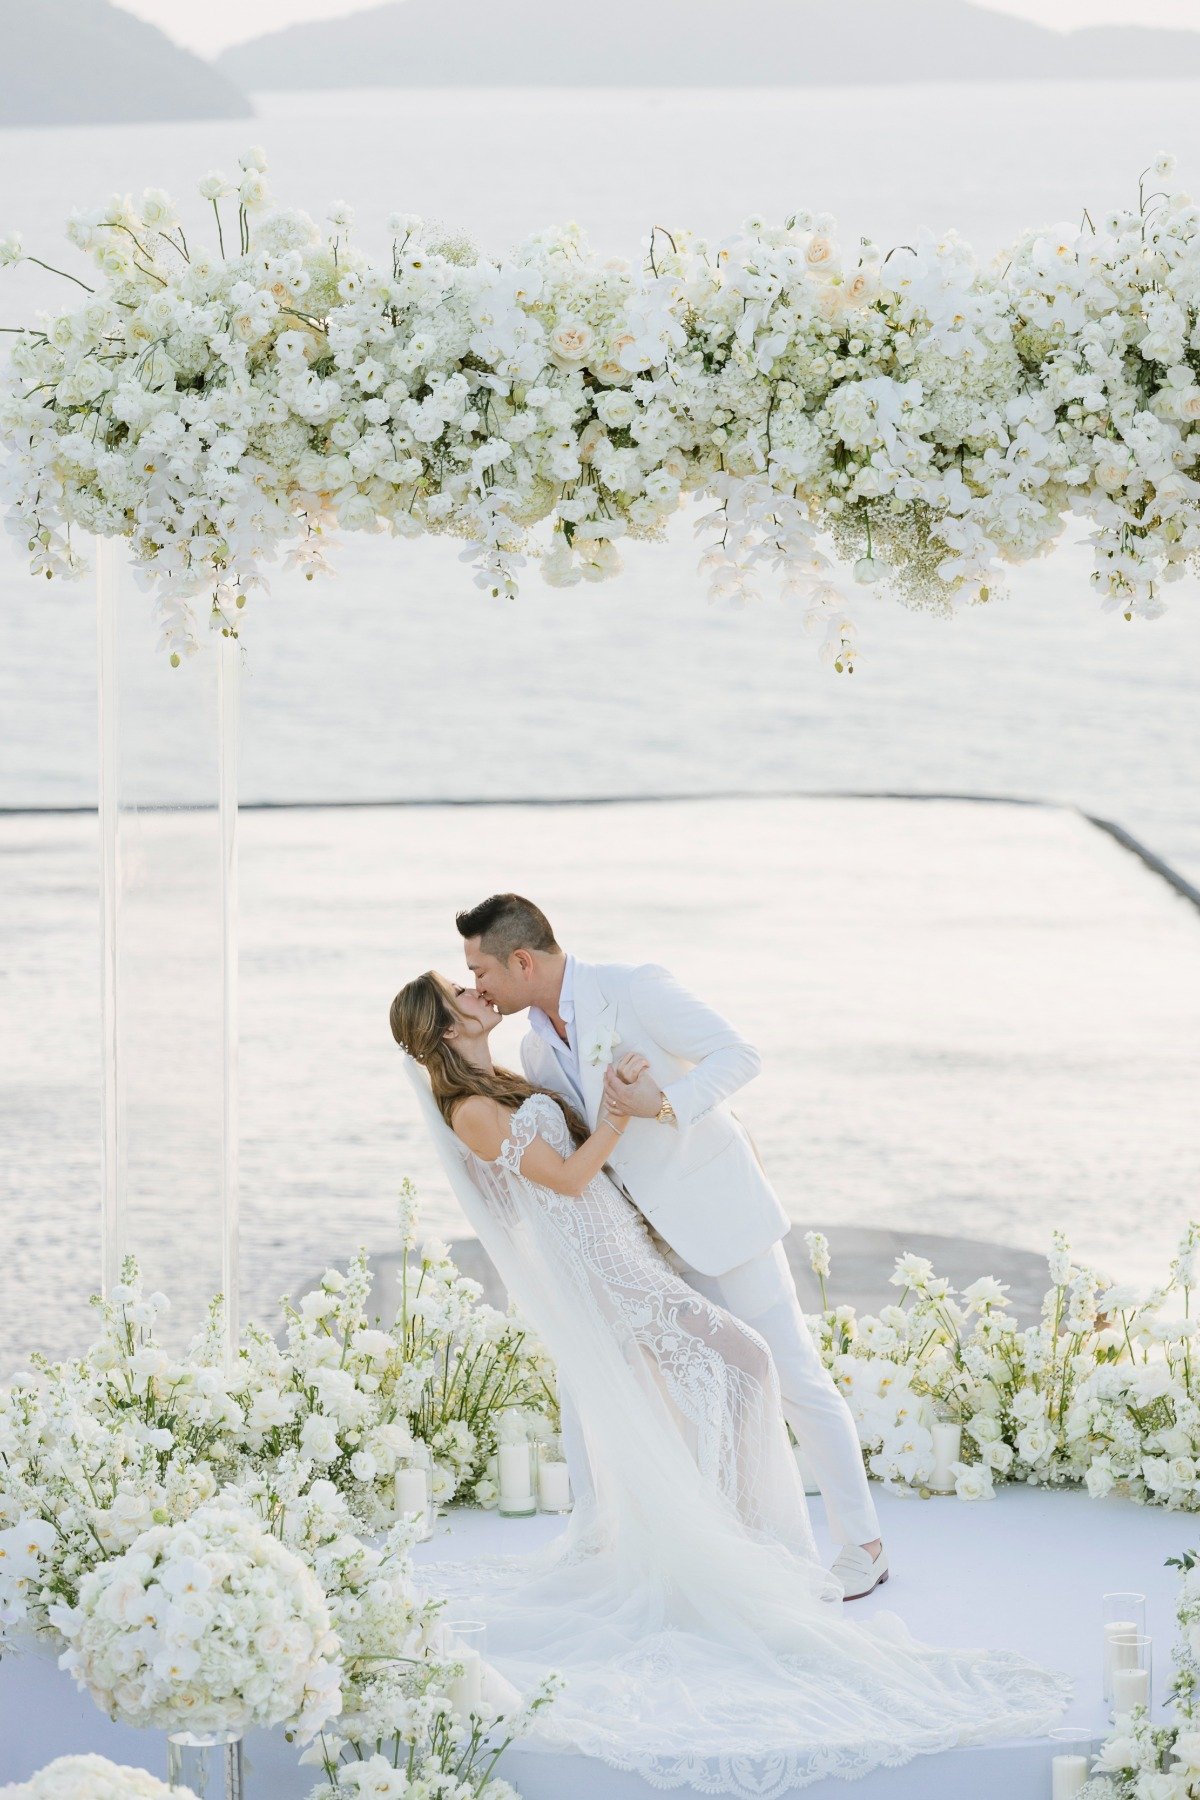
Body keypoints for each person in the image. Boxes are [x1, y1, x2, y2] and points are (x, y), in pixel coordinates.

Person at [388, 964, 1070, 1796]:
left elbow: (581, 1174)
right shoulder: (473, 1107)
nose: (473, 990)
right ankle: (730, 1545)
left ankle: (733, 1530)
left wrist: (637, 1113)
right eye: (457, 991)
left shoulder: (503, 1073)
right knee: (745, 1360)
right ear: (443, 1023)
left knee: (728, 1371)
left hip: (623, 1252)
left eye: (475, 975)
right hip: (607, 1273)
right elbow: (564, 1181)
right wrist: (611, 1115)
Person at [457, 891, 886, 1599]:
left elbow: (738, 1054)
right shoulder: (535, 1045)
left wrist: (664, 1103)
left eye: (481, 971)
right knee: (712, 1386)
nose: (478, 987)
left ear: (522, 959)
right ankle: (747, 1544)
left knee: (793, 1375)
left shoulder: (635, 989)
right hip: (646, 1244)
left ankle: (863, 1544)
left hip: (721, 1217)